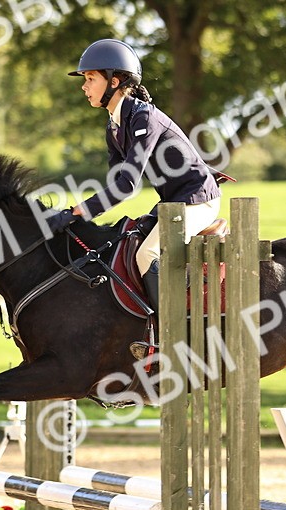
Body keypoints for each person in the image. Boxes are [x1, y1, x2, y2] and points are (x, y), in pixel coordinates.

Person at [59, 39, 222, 360]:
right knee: (127, 243)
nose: (84, 86)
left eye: (90, 78)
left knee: (148, 255)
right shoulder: (115, 124)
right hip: (173, 205)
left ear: (114, 81)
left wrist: (81, 211)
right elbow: (115, 183)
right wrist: (81, 214)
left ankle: (174, 338)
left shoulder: (143, 117)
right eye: (85, 80)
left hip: (198, 201)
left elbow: (127, 185)